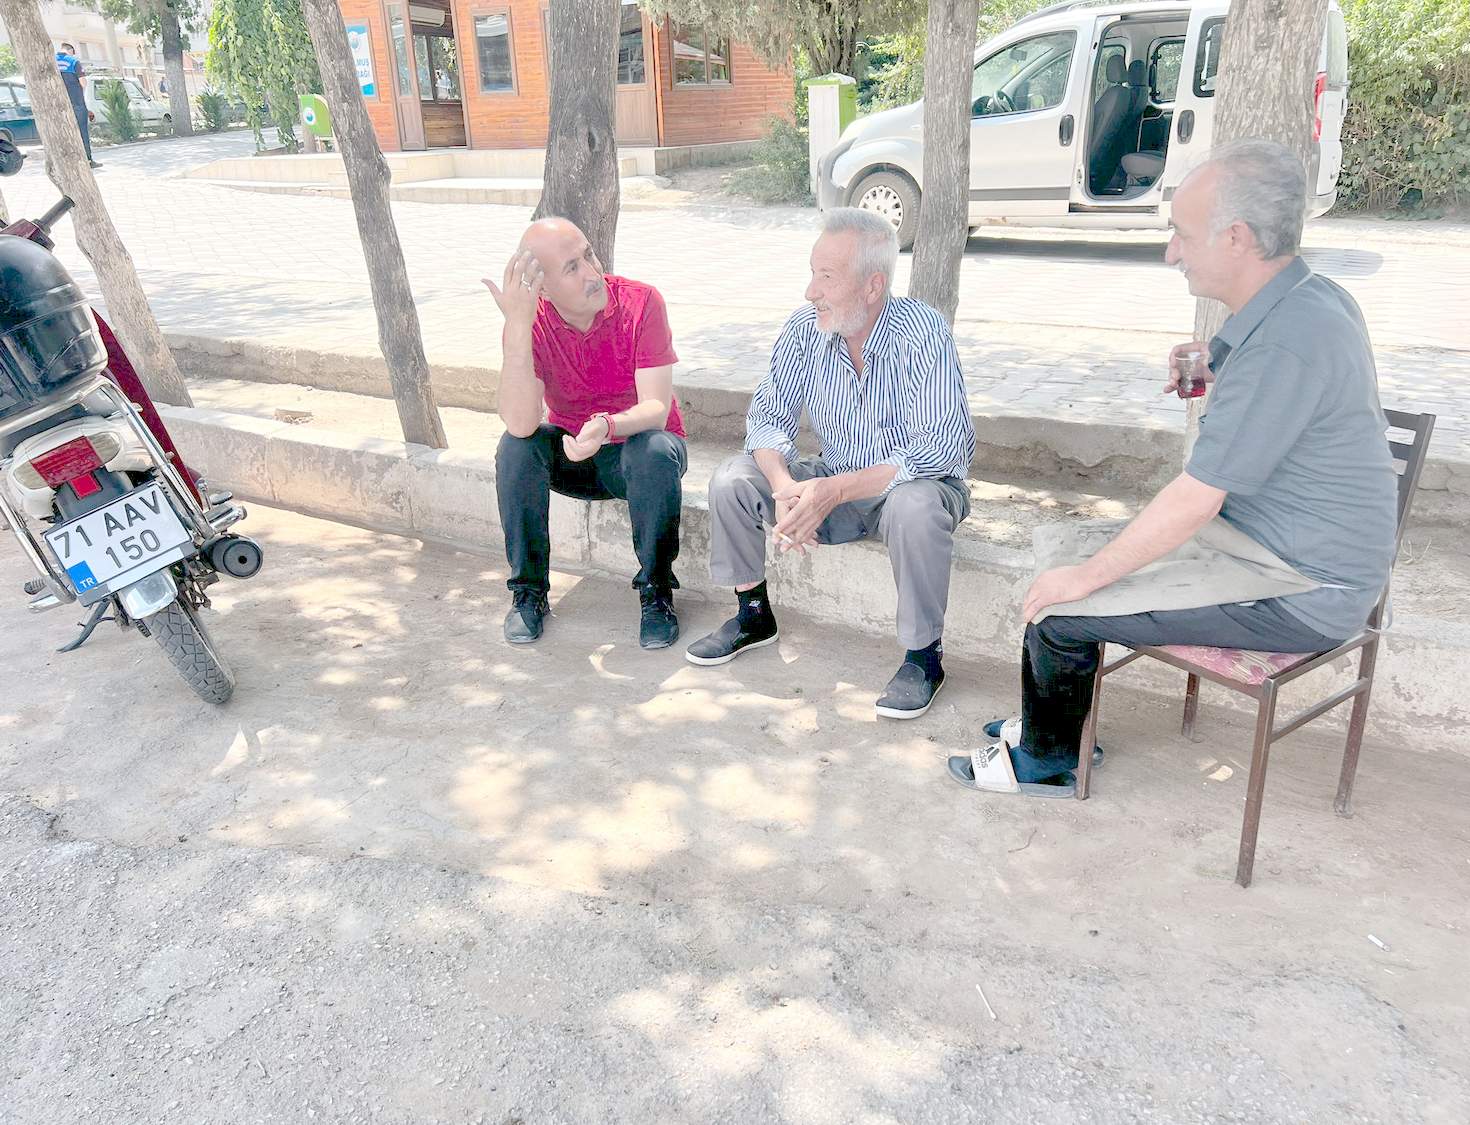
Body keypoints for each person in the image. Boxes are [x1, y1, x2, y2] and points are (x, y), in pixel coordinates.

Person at [951, 138, 1397, 797]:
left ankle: (1050, 761)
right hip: (1281, 544)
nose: (1171, 252)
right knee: (1067, 551)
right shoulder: (1308, 296)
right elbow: (1252, 388)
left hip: (1302, 586)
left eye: (1182, 235)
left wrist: (1087, 578)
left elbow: (1196, 497)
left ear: (1238, 238)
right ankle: (1057, 721)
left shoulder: (1287, 342)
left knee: (1062, 605)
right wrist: (1209, 366)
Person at [687, 207, 975, 720]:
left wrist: (835, 492)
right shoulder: (805, 328)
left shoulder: (923, 333)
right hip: (834, 476)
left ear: (872, 287)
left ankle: (922, 657)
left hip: (914, 487)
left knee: (914, 506)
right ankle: (753, 614)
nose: (810, 292)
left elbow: (944, 447)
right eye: (811, 273)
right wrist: (783, 487)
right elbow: (767, 417)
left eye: (826, 277)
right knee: (733, 477)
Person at [484, 217, 687, 650]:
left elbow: (657, 408)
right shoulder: (531, 321)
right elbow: (520, 422)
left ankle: (656, 591)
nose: (593, 273)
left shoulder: (641, 301)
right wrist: (517, 328)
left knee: (652, 450)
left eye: (589, 255)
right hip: (576, 453)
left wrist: (608, 425)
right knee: (515, 448)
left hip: (637, 452)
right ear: (542, 287)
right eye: (572, 268)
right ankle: (529, 593)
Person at [55, 43, 100, 170]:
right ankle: (88, 160)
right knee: (82, 131)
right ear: (70, 51)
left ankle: (66, 162)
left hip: (58, 105)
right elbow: (83, 82)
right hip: (76, 103)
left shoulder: (51, 60)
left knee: (63, 132)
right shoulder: (73, 61)